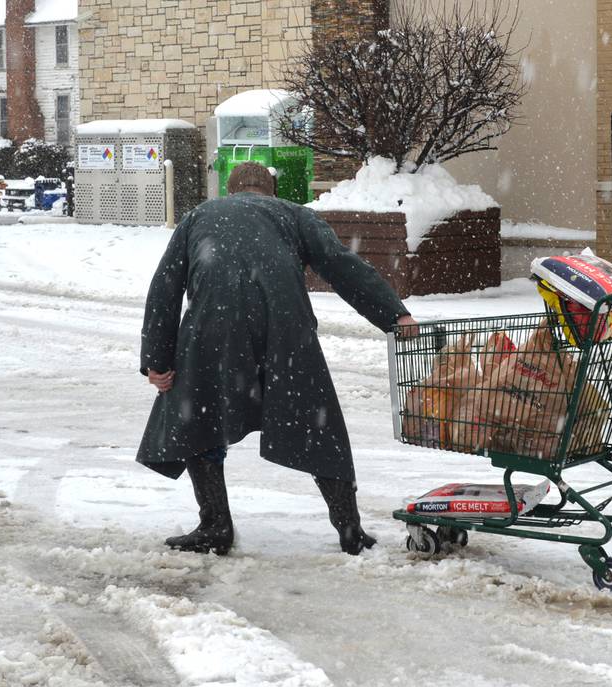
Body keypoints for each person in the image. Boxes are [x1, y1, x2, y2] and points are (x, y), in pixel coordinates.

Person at [137, 162, 417, 557]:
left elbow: (164, 286)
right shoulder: (296, 214)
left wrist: (157, 359)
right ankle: (350, 529)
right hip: (285, 328)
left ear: (231, 190)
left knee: (200, 415)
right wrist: (394, 314)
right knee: (319, 424)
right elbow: (341, 265)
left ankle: (216, 524)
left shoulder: (199, 216)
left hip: (211, 327)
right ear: (272, 188)